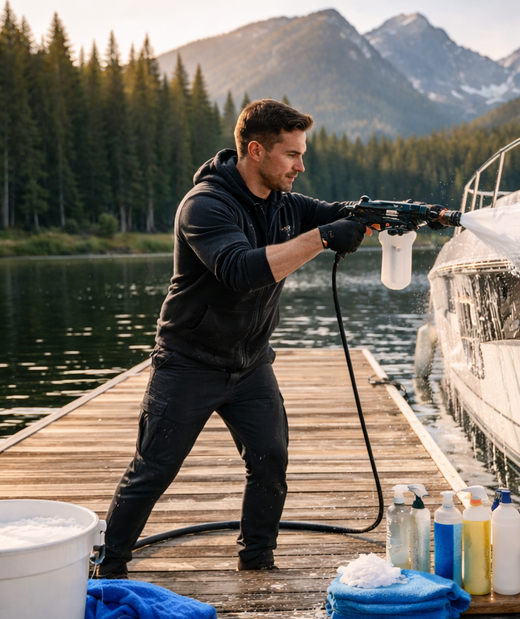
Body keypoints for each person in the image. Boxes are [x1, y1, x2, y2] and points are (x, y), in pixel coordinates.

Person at [98, 99, 370, 578]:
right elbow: (242, 270)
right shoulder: (204, 206)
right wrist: (324, 237)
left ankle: (257, 560)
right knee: (153, 470)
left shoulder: (284, 204)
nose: (301, 166)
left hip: (250, 366)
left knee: (271, 461)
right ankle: (110, 566)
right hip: (189, 362)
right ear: (257, 151)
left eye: (303, 154)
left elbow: (334, 211)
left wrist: (379, 215)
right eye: (292, 155)